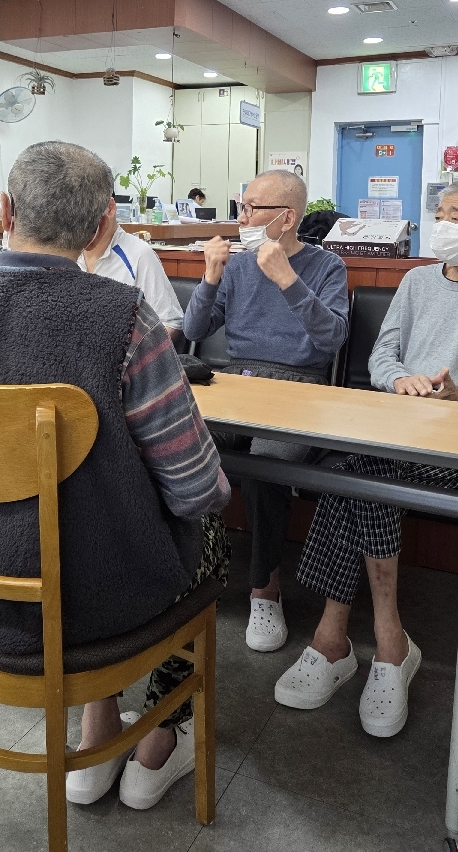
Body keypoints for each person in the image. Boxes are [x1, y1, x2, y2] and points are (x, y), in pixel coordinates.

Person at [0, 141, 231, 812]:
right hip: (97, 602)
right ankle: (164, 731)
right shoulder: (125, 318)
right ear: (101, 224)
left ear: (5, 211)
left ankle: (99, 723)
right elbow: (198, 490)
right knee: (210, 531)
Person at [284, 179, 458, 738]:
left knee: (354, 472)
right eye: (441, 213)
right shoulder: (415, 281)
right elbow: (383, 354)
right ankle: (385, 641)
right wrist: (399, 380)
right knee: (357, 465)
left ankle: (342, 639)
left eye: (457, 216)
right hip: (400, 428)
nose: (443, 225)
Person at [183, 170, 349, 652]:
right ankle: (192, 568)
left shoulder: (326, 266)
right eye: (242, 206)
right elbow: (193, 330)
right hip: (236, 380)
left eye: (252, 208)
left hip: (301, 386)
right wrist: (210, 276)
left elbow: (332, 339)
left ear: (287, 218)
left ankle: (265, 587)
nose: (242, 217)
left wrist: (286, 279)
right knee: (183, 447)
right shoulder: (237, 265)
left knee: (266, 464)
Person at [79, 195, 185, 340]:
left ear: (110, 207)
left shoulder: (138, 254)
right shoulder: (66, 254)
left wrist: (130, 350)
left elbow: (170, 323)